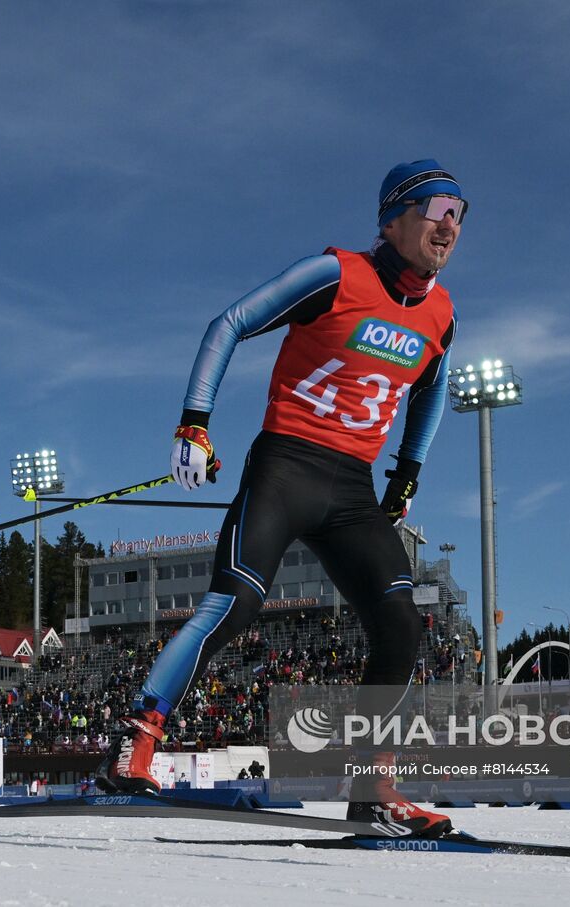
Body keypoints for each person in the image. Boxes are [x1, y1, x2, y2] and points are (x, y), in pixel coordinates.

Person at [96, 160, 464, 838]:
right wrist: (194, 421)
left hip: (353, 486)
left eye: (460, 213)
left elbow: (434, 384)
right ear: (393, 217)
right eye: (436, 207)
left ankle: (373, 787)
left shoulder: (440, 313)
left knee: (402, 624)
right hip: (287, 465)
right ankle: (135, 742)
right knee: (233, 603)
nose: (450, 223)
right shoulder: (337, 274)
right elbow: (229, 321)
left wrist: (406, 473)